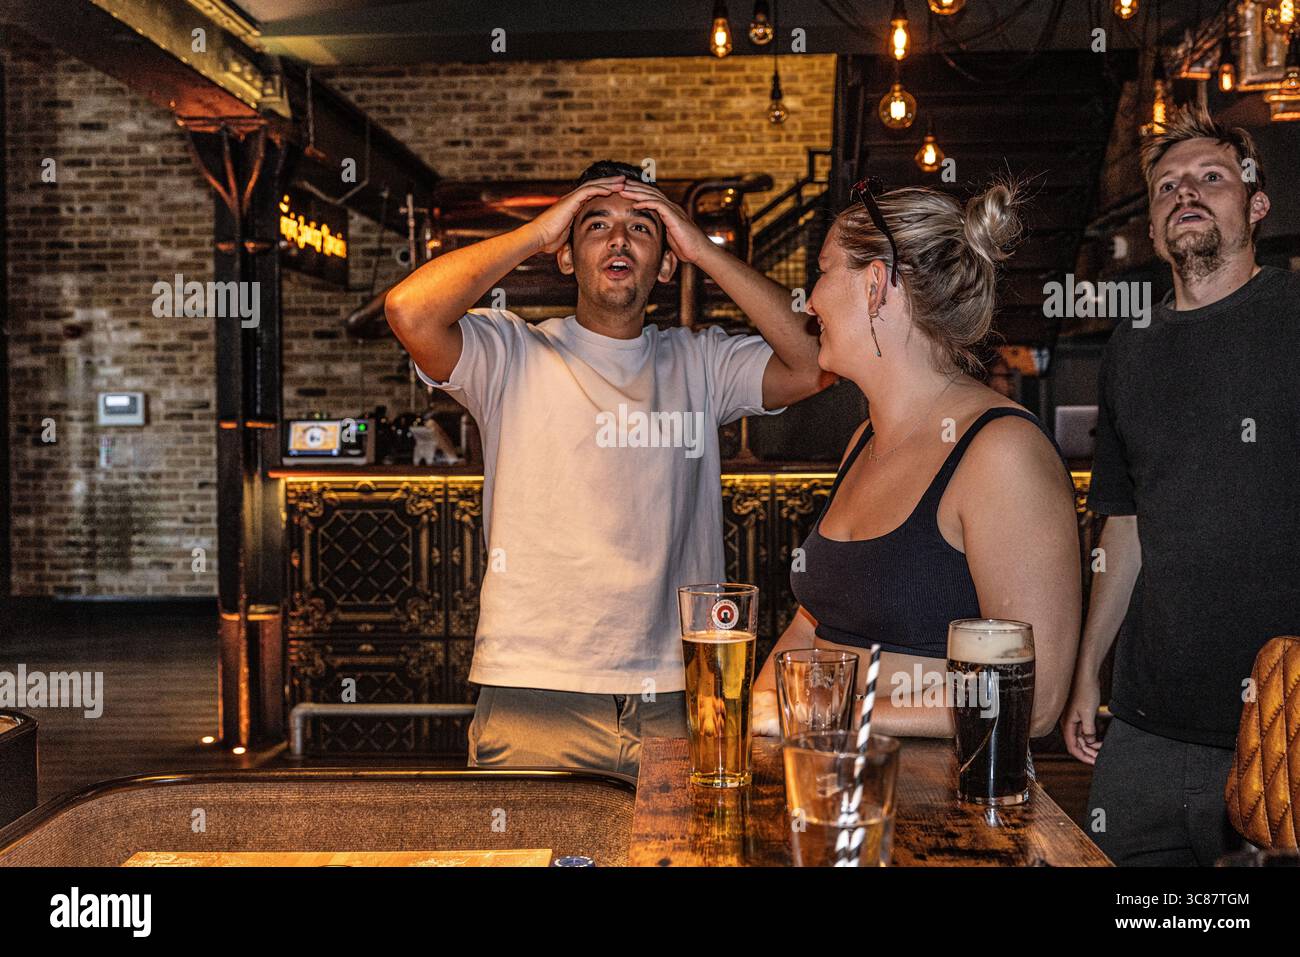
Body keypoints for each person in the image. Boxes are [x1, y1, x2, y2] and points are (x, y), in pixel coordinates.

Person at [385, 161, 828, 776]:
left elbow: (816, 361)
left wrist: (702, 247)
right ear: (567, 256)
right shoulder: (511, 351)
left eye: (642, 228)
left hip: (678, 698)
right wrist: (540, 232)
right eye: (595, 225)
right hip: (535, 697)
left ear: (666, 262)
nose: (619, 240)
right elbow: (409, 310)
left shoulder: (699, 361)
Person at [753, 179, 1081, 737]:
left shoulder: (1000, 451)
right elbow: (814, 627)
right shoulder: (863, 440)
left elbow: (1038, 694)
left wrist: (825, 716)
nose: (810, 301)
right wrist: (754, 713)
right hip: (829, 789)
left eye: (825, 270)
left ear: (876, 285)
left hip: (938, 806)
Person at [1061, 105, 1300, 865]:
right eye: (1167, 187)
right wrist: (1083, 674)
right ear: (1157, 231)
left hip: (1284, 723)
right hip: (1143, 728)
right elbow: (1123, 528)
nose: (1184, 194)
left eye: (1210, 178)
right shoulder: (1128, 352)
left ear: (1256, 205)